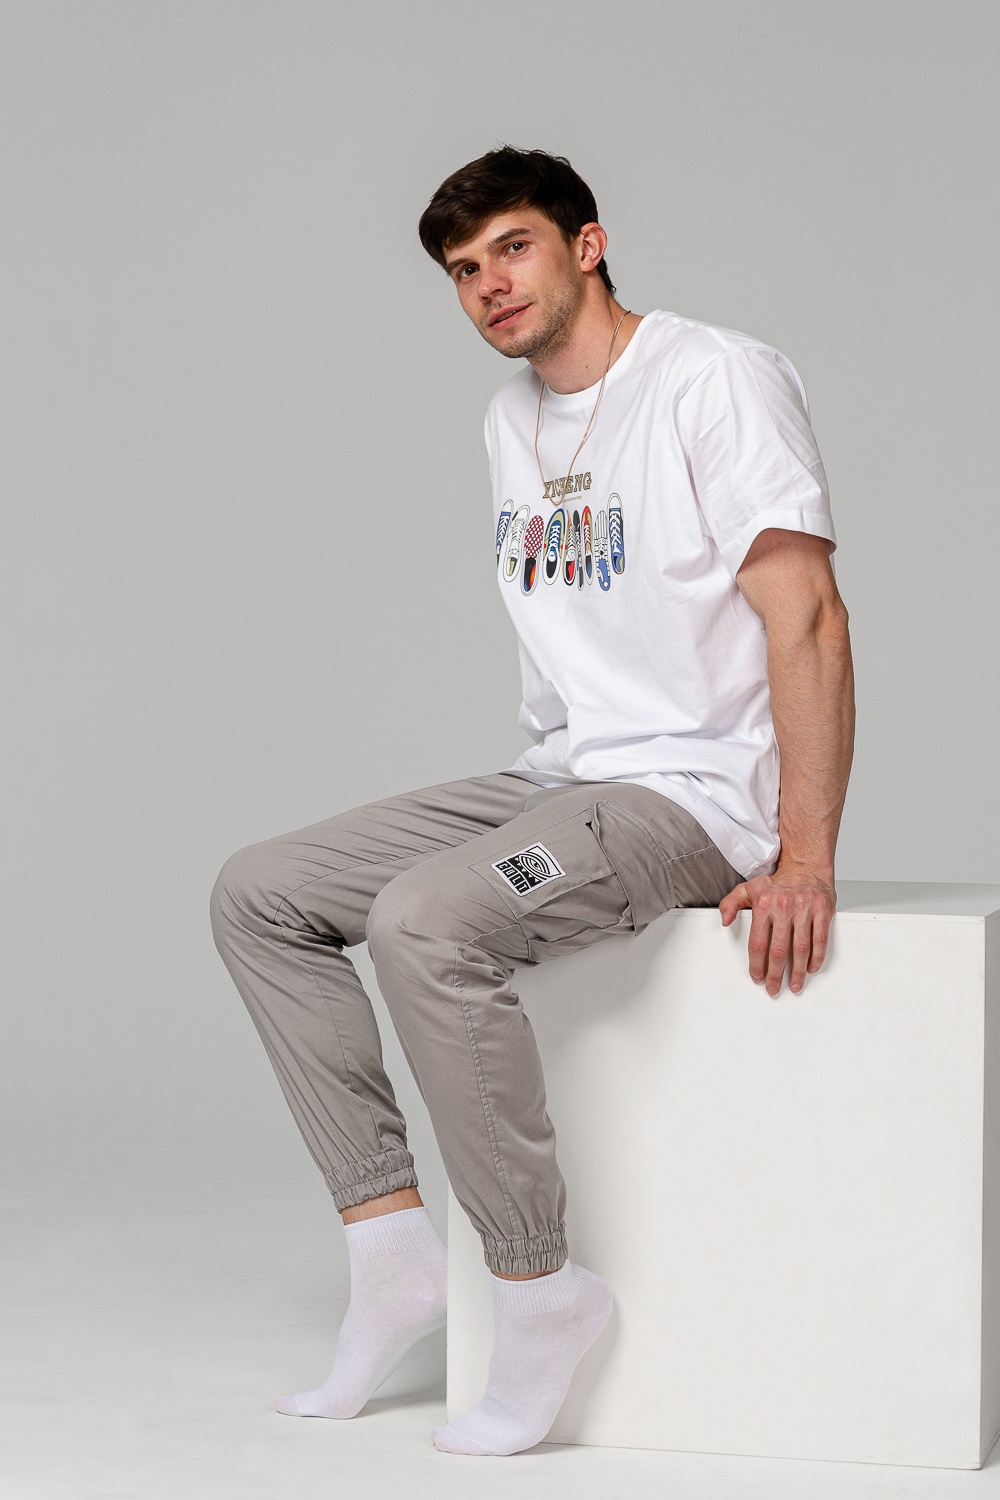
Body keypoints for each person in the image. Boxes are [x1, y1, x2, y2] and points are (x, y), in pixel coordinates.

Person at [210, 145, 854, 1457]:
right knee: (259, 893)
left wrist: (804, 856)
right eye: (463, 271)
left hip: (691, 795)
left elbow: (810, 616)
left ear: (586, 244)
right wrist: (544, 782)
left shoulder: (714, 377)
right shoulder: (510, 421)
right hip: (562, 779)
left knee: (426, 921)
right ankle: (392, 1254)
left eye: (512, 247)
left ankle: (536, 1285)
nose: (489, 286)